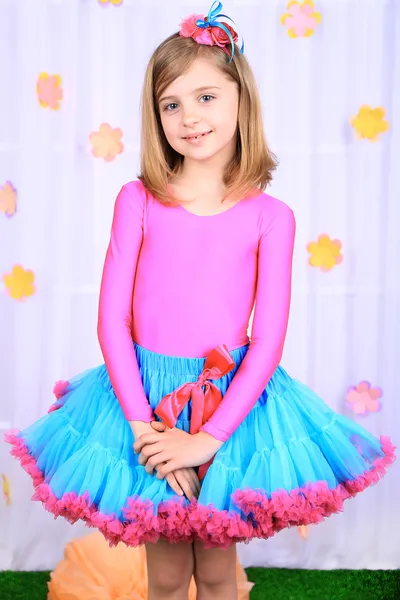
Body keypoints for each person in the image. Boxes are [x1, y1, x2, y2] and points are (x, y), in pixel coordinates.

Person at [5, 2, 396, 599]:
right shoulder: (137, 200)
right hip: (143, 400)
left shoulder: (272, 217)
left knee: (216, 570)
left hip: (228, 406)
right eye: (172, 103)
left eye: (206, 97)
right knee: (164, 572)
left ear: (241, 99)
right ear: (156, 115)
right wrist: (149, 435)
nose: (189, 116)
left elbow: (266, 340)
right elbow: (113, 323)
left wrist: (205, 441)